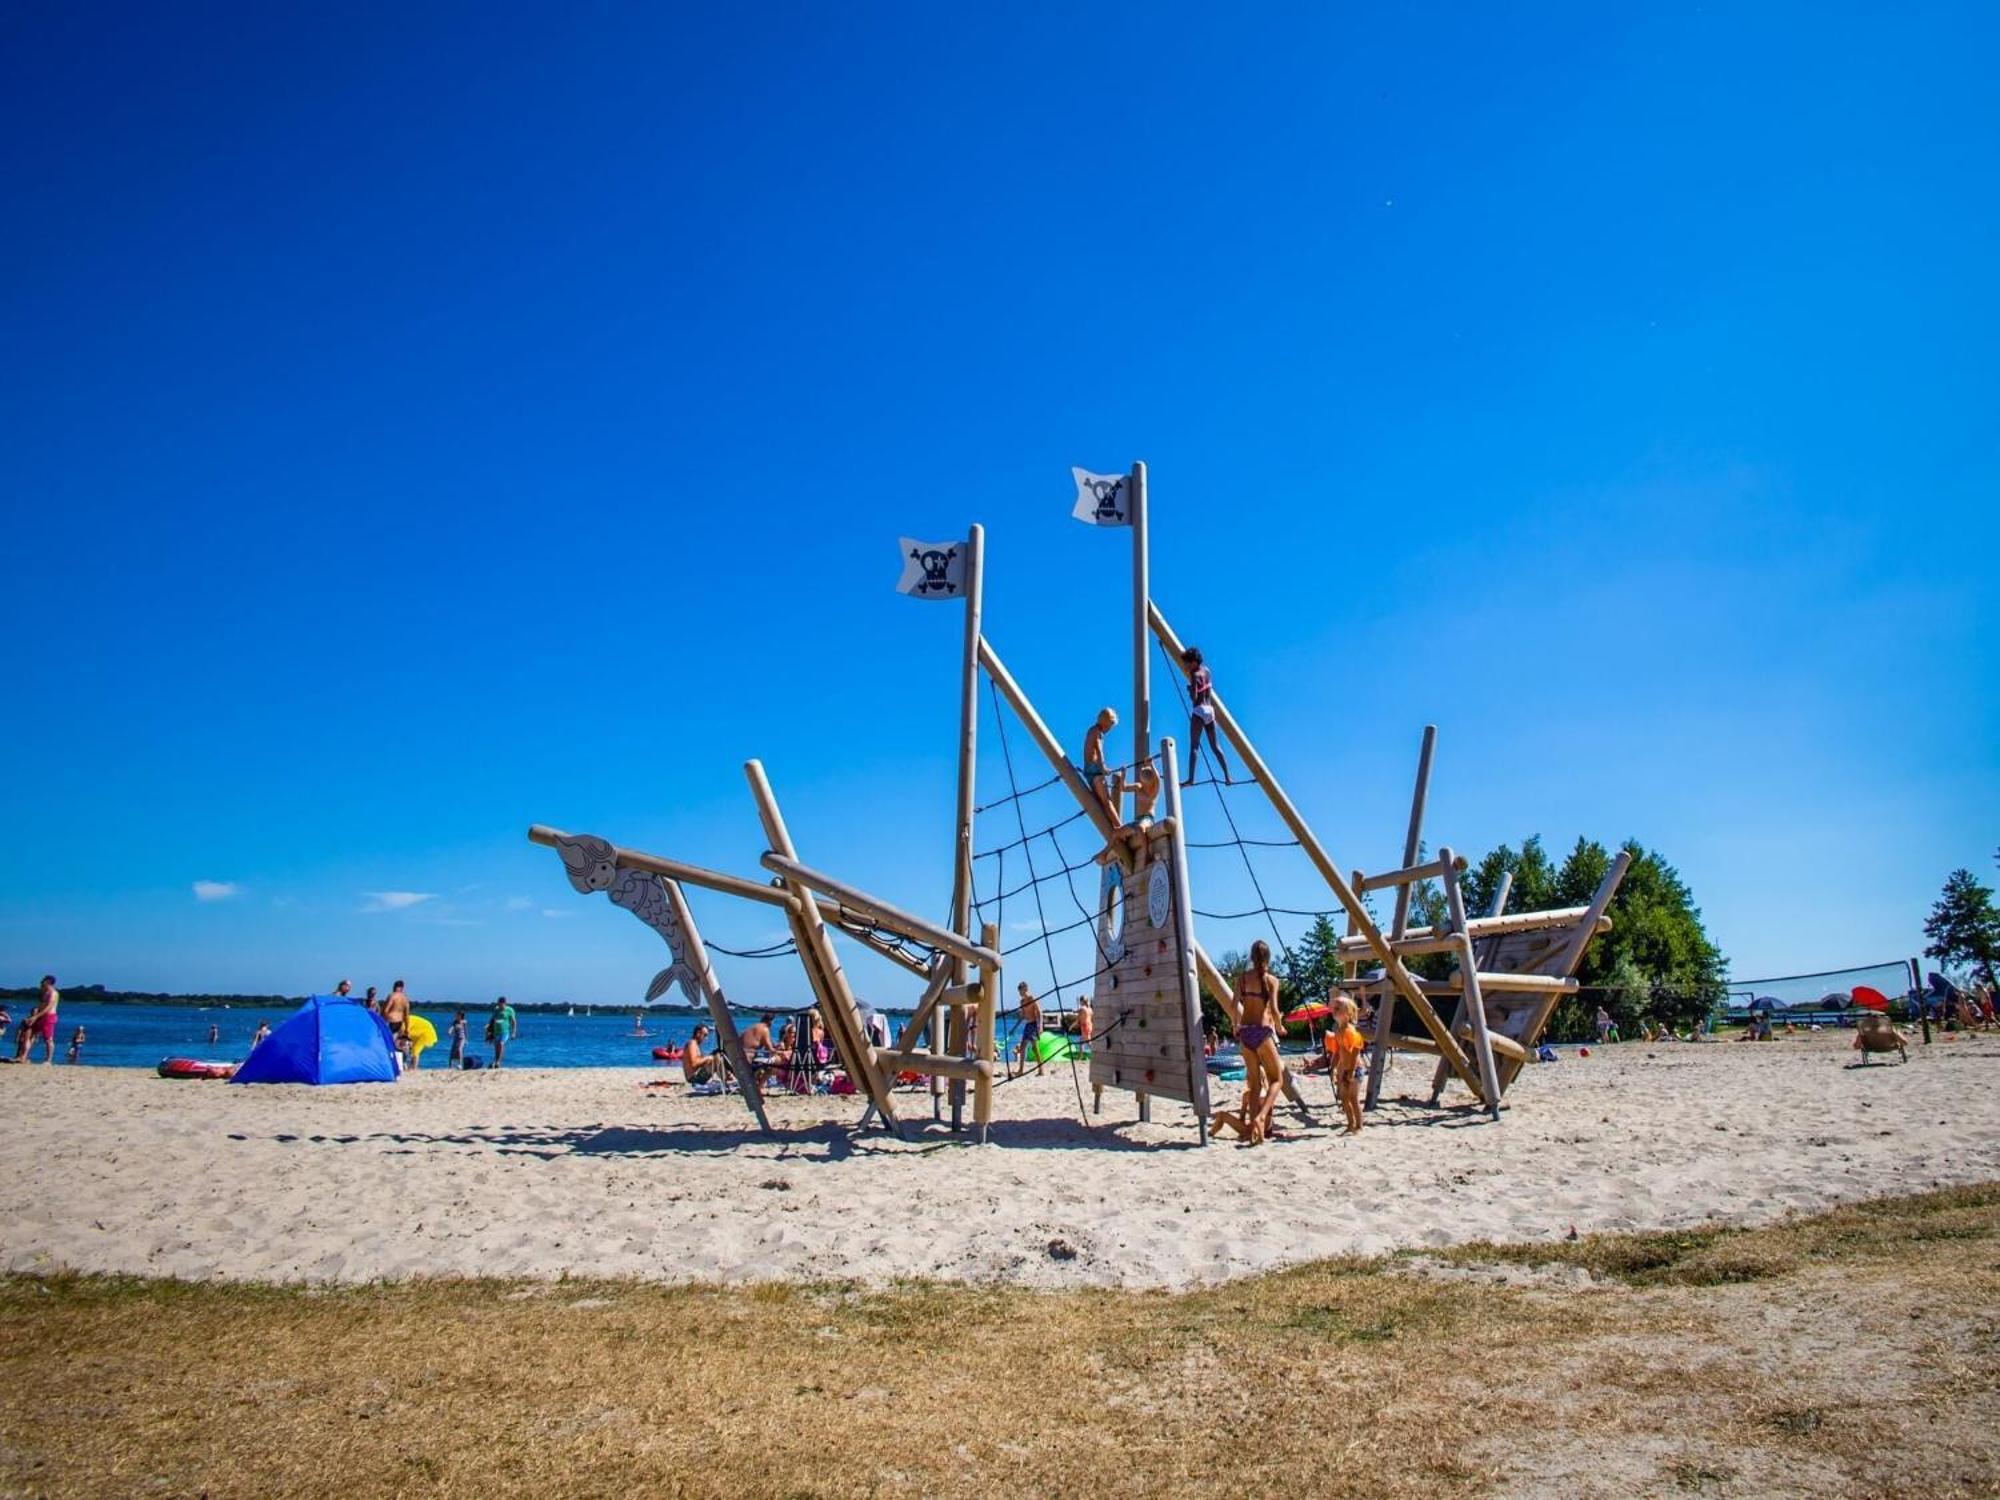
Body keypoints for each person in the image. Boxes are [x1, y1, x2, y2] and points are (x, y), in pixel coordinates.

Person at [1231, 942, 1284, 1144]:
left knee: (1254, 1085)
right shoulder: (1271, 980)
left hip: (1245, 1032)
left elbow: (1233, 1003)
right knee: (1277, 1080)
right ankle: (1262, 1116)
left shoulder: (1243, 979)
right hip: (1262, 1032)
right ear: (1268, 958)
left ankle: (1254, 1128)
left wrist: (1235, 1024)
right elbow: (1276, 1010)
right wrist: (1279, 1027)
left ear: (1251, 957)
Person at [1180, 647, 1231, 785]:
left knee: (1194, 746)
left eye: (1188, 663)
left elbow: (1194, 697)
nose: (1186, 666)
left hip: (1199, 710)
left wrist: (1190, 689)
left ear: (1194, 662)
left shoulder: (1194, 674)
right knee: (1215, 747)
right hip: (1210, 709)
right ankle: (1227, 776)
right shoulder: (1207, 671)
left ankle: (1191, 779)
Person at [1324, 993, 1366, 1135]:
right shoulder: (1338, 1031)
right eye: (1333, 1008)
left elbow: (1355, 1053)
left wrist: (1351, 1072)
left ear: (1348, 1013)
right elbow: (1337, 1052)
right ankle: (1350, 1124)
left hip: (1355, 1069)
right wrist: (1333, 1067)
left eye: (1338, 1008)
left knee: (1353, 1098)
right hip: (1344, 1069)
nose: (1334, 1011)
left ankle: (1359, 1126)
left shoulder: (1350, 1031)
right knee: (1343, 1098)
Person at [1081, 707, 1119, 823]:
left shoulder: (1091, 730)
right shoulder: (1098, 732)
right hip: (1095, 769)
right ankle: (1119, 826)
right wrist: (1103, 767)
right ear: (1106, 722)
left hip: (1088, 769)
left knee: (1101, 803)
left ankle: (1113, 828)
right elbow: (1099, 750)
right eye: (1110, 725)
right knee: (1107, 802)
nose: (1109, 729)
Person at [13, 976, 60, 1065]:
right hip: (40, 1016)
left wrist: (36, 1016)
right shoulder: (45, 993)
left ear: (48, 982)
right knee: (29, 1033)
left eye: (43, 981)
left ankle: (48, 1060)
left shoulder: (53, 993)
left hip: (48, 1017)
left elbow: (48, 1007)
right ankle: (23, 1056)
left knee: (48, 1039)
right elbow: (41, 1005)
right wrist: (33, 1016)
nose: (41, 983)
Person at [1013, 982, 1045, 1077]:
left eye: (1021, 991)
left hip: (1034, 1025)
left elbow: (1039, 1012)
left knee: (1035, 1048)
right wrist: (1014, 1028)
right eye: (1019, 991)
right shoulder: (1022, 1002)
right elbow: (1022, 1016)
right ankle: (1021, 1070)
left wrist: (1040, 1026)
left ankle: (1041, 1069)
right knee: (1022, 1047)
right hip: (1028, 1025)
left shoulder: (1032, 998)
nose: (1020, 993)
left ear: (1025, 989)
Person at [382, 980, 413, 1067]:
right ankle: (402, 1062)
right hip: (399, 1022)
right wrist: (407, 1028)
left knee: (387, 1042)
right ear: (402, 988)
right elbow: (407, 1015)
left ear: (394, 986)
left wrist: (382, 1021)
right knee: (397, 1043)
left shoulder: (392, 996)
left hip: (390, 1021)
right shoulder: (405, 998)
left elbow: (386, 1010)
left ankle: (389, 1062)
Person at [487, 996, 518, 1068]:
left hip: (505, 1031)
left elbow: (513, 1021)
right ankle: (495, 1061)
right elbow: (492, 1020)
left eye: (501, 1004)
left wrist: (513, 1032)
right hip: (496, 1031)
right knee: (496, 1046)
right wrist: (489, 1030)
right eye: (498, 1003)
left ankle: (498, 1062)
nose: (499, 1005)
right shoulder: (496, 1009)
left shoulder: (510, 1010)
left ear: (504, 1003)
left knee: (501, 1044)